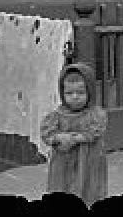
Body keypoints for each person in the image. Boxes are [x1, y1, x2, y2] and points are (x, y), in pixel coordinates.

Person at [40, 62, 108, 205]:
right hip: (63, 164)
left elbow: (96, 130)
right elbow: (47, 133)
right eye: (69, 93)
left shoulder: (95, 114)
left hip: (89, 163)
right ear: (62, 93)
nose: (75, 97)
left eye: (80, 92)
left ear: (89, 92)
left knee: (89, 191)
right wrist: (58, 137)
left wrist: (77, 138)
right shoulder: (56, 116)